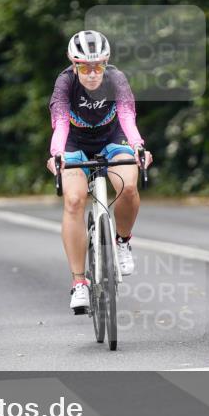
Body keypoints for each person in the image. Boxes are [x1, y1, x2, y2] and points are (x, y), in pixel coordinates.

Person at [46, 30, 153, 312]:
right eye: (84, 66)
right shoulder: (65, 83)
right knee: (73, 200)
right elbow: (60, 122)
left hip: (112, 137)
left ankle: (122, 241)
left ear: (106, 63)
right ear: (73, 64)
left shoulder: (116, 79)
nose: (93, 73)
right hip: (74, 142)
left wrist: (138, 147)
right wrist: (56, 154)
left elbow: (127, 116)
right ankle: (79, 283)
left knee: (129, 185)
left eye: (98, 66)